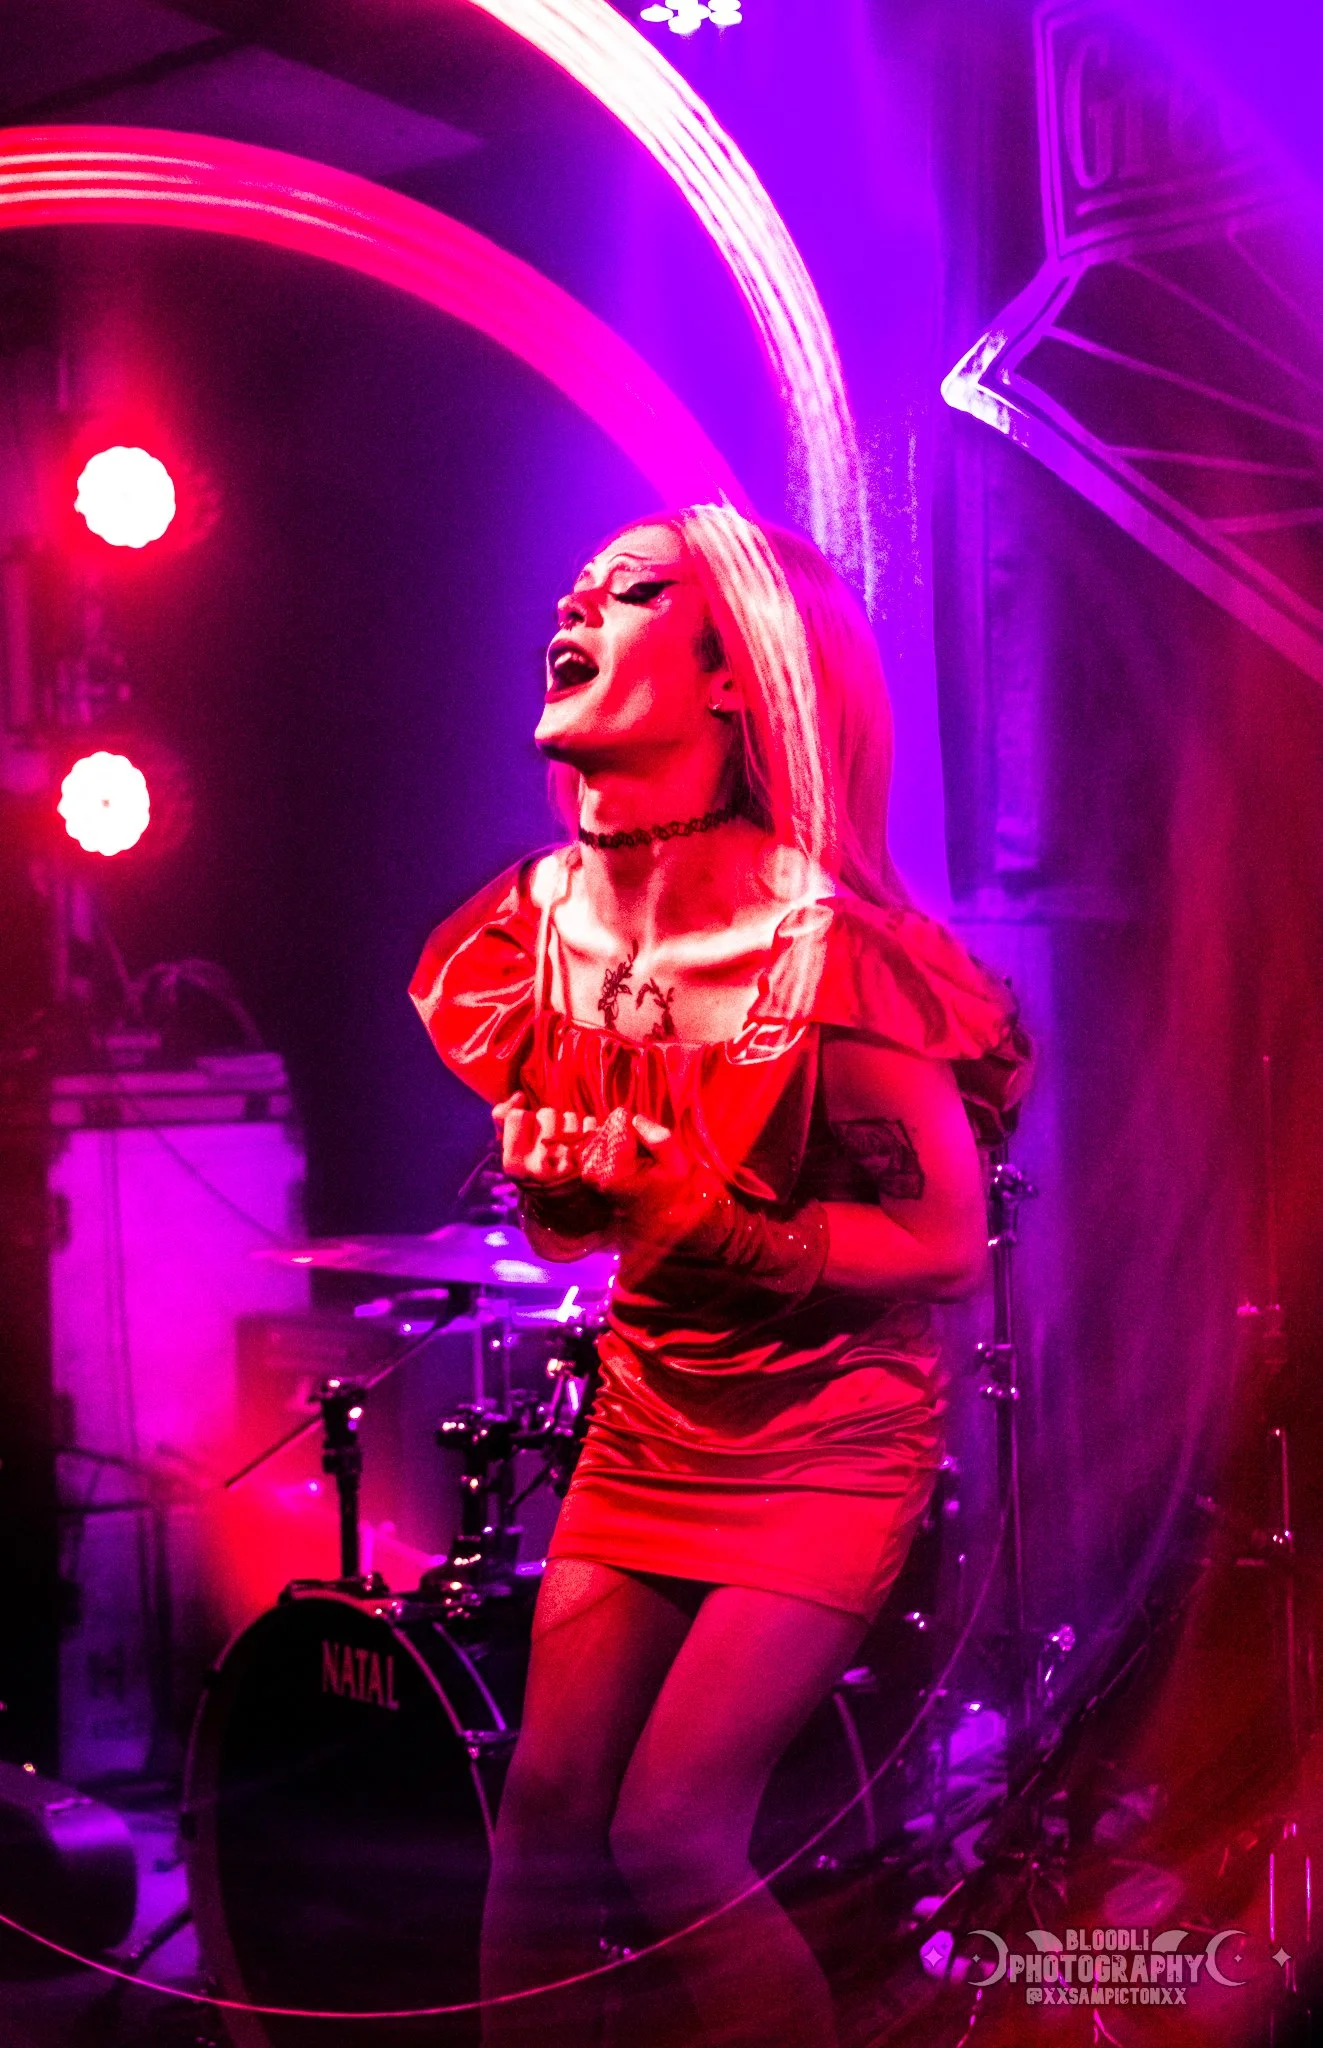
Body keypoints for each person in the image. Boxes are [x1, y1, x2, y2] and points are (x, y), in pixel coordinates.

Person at [409, 503, 1031, 2048]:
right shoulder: (525, 937)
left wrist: (704, 1218)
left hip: (824, 1439)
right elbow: (582, 1234)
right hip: (652, 1418)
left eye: (627, 592)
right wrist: (579, 1203)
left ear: (733, 678)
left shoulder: (828, 953)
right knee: (544, 1824)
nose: (574, 605)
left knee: (669, 1837)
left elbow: (948, 1251)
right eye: (571, 586)